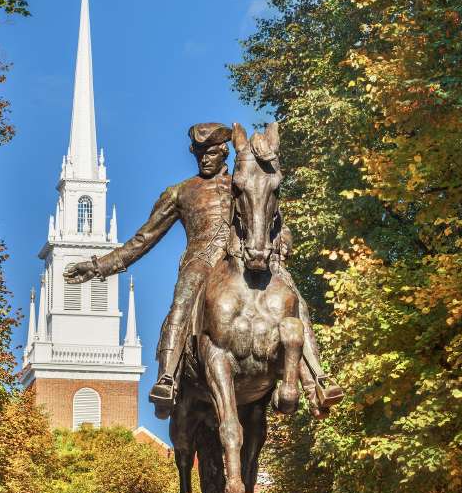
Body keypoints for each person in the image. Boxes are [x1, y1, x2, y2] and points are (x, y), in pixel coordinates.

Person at [64, 122, 340, 418]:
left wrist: (284, 241)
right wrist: (98, 266)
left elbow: (273, 219)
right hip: (202, 260)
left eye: (210, 153)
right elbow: (143, 240)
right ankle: (167, 378)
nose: (204, 159)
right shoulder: (180, 192)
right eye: (198, 153)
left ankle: (316, 382)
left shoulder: (244, 181)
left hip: (247, 258)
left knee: (293, 296)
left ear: (223, 151)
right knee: (182, 302)